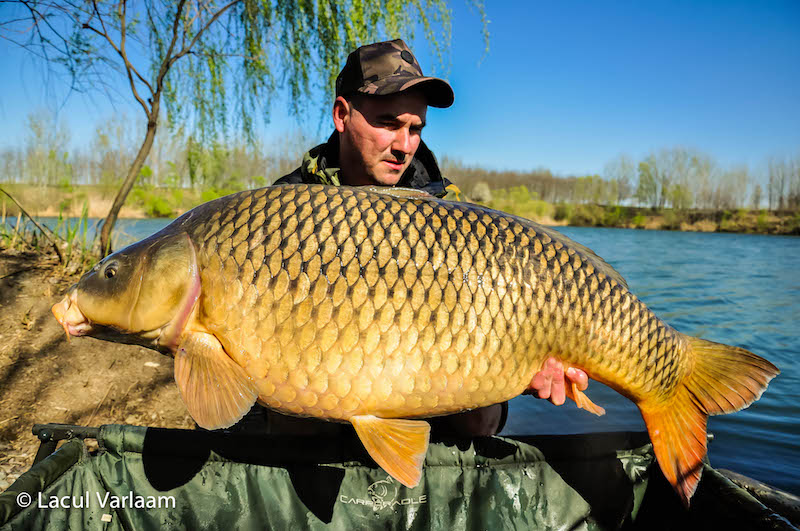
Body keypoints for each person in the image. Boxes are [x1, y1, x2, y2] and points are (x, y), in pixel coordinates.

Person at [231, 39, 589, 437]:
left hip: (428, 382)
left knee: (481, 417)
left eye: (415, 128)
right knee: (285, 403)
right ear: (342, 115)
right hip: (319, 385)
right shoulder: (286, 208)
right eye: (388, 123)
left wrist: (523, 367)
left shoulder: (449, 213)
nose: (404, 146)